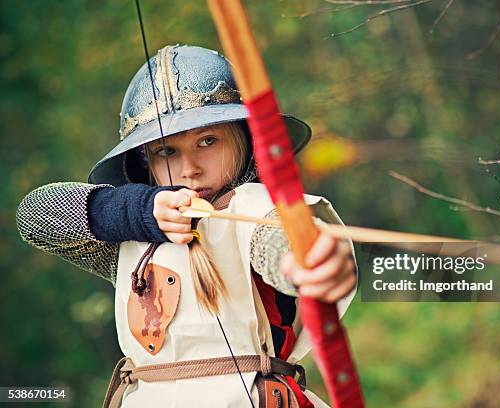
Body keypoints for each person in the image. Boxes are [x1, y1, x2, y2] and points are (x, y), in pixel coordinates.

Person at [16, 44, 357, 407]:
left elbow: (279, 240)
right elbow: (35, 216)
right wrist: (141, 212)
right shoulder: (133, 235)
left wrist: (304, 262)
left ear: (244, 140)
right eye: (167, 151)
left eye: (207, 141)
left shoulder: (253, 207)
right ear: (144, 161)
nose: (189, 168)